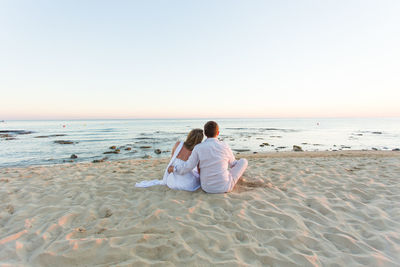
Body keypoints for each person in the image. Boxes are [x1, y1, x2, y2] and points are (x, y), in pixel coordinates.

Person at [168, 121, 248, 193]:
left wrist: (174, 169)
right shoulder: (224, 146)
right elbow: (233, 164)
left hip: (206, 188)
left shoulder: (198, 148)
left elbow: (187, 167)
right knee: (244, 161)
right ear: (218, 133)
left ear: (205, 134)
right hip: (224, 187)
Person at [135, 128, 203, 191]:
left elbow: (172, 160)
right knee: (196, 177)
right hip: (187, 185)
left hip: (171, 182)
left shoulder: (178, 144)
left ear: (189, 136)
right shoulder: (197, 152)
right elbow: (199, 168)